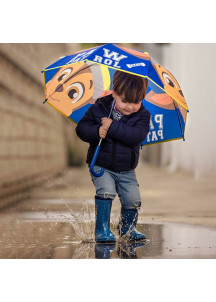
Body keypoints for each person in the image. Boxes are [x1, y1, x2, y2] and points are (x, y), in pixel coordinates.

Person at [75, 70, 150, 243]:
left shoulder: (143, 116)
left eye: (136, 102)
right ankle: (102, 229)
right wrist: (96, 131)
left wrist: (112, 126)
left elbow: (135, 136)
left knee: (133, 198)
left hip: (126, 168)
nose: (130, 107)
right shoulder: (99, 108)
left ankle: (128, 229)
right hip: (101, 164)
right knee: (106, 191)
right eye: (124, 101)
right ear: (114, 92)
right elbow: (81, 129)